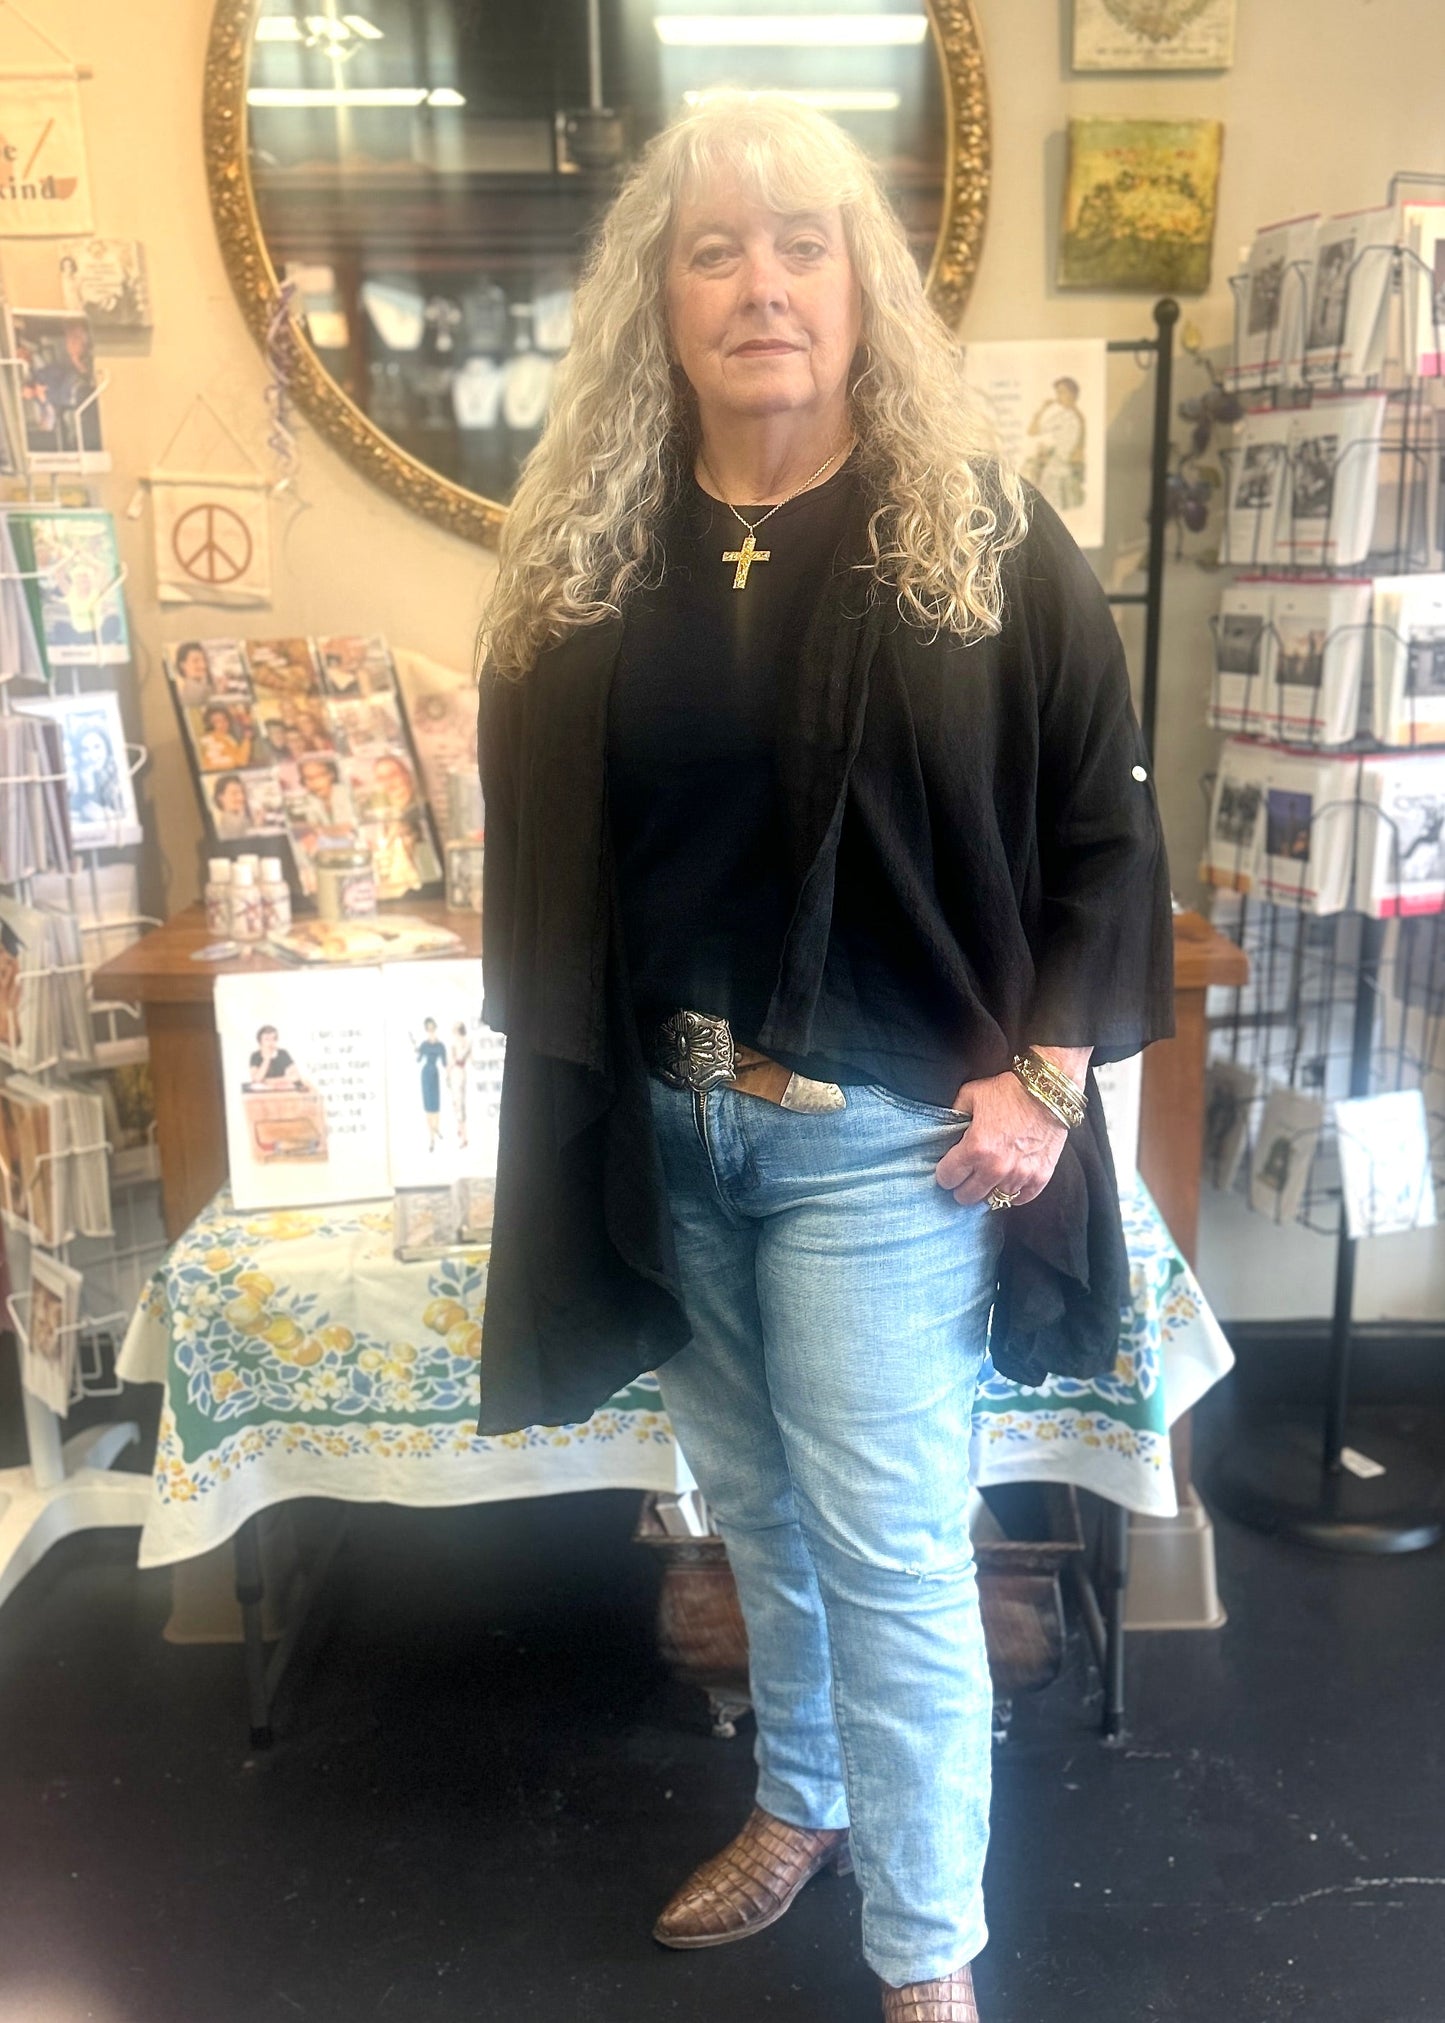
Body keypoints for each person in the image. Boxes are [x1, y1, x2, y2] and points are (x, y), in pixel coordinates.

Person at [476, 94, 1172, 2022]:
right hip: (669, 1128)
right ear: (660, 296)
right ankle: (800, 1800)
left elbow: (1108, 828)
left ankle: (925, 1959)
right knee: (755, 1514)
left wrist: (1046, 1074)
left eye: (800, 242)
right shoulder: (589, 556)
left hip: (879, 1145)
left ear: (863, 283)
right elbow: (563, 870)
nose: (761, 283)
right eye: (714, 249)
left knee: (884, 1555)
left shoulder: (983, 536)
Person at [413, 1018, 447, 1149]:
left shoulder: (440, 1045)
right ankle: (431, 1138)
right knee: (428, 1106)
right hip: (426, 1074)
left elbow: (444, 1063)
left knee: (435, 1105)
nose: (431, 1031)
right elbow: (419, 1059)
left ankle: (436, 1128)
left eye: (432, 1028)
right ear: (426, 1030)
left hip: (435, 1074)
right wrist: (417, 1052)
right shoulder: (424, 1045)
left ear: (435, 1028)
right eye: (428, 1029)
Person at [245, 1024, 306, 1089]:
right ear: (260, 1042)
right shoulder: (255, 1056)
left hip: (280, 1089)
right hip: (263, 1092)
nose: (271, 1042)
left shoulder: (283, 1053)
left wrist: (271, 1081)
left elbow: (296, 1076)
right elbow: (256, 1079)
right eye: (267, 1039)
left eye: (274, 1039)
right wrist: (267, 1059)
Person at [196, 702, 253, 771]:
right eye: (217, 721)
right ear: (210, 724)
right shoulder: (214, 738)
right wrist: (247, 739)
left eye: (224, 719)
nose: (222, 723)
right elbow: (241, 761)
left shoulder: (226, 737)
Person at [447, 1020, 472, 1148]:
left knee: (459, 1103)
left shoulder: (462, 1042)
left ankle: (464, 1137)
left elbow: (457, 1059)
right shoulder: (462, 1042)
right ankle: (460, 1129)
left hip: (458, 1072)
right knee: (457, 1102)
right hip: (457, 1073)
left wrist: (449, 1070)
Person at [211, 773, 250, 841]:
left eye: (242, 792)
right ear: (220, 797)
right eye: (234, 793)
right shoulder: (223, 830)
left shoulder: (244, 820)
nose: (241, 797)